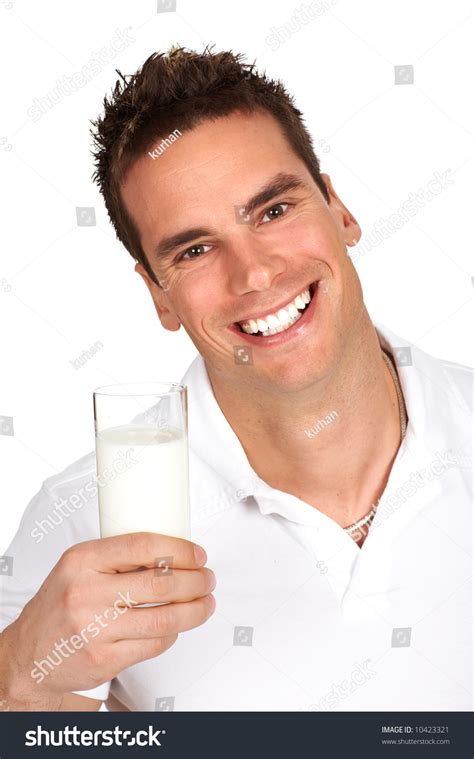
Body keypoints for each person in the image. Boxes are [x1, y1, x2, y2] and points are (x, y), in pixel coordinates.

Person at [0, 47, 471, 712]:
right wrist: (15, 669)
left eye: (273, 210)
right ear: (159, 295)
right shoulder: (81, 516)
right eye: (194, 250)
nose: (253, 273)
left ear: (339, 210)